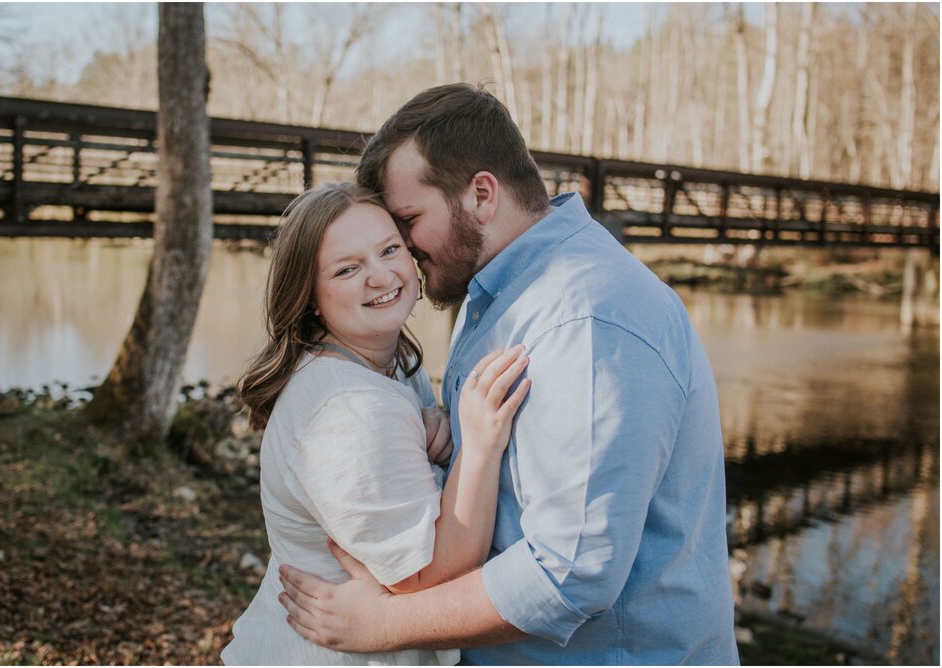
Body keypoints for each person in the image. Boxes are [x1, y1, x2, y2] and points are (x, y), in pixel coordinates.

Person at [277, 83, 739, 665]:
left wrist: (382, 625)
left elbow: (568, 571)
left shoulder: (587, 318)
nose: (403, 248)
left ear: (482, 195)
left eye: (409, 221)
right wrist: (446, 441)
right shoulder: (498, 287)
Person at [221, 182, 531, 665]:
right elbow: (430, 578)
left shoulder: (389, 366)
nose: (380, 275)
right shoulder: (347, 406)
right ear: (311, 299)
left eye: (389, 249)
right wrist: (480, 444)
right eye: (347, 269)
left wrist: (438, 428)